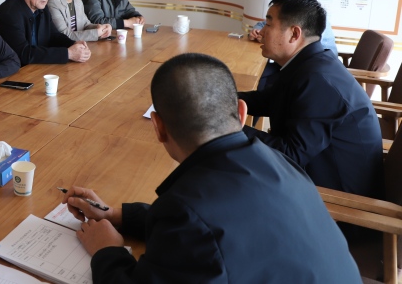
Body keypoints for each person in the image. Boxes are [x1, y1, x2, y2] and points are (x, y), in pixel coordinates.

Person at [61, 53, 361, 283]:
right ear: (241, 113)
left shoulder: (186, 209)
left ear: (158, 127)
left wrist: (107, 250)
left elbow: (197, 226)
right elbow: (219, 227)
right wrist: (117, 216)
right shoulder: (279, 161)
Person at [240, 0, 383, 197]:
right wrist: (220, 99)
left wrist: (229, 125)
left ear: (294, 34)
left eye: (268, 24)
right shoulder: (307, 63)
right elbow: (268, 100)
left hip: (336, 199)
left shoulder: (318, 81)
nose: (261, 32)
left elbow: (290, 155)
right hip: (312, 173)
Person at [0, 0, 91, 65]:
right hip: (18, 70)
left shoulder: (40, 5)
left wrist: (73, 44)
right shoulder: (9, 13)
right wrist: (68, 53)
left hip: (38, 67)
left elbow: (54, 35)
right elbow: (23, 53)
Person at [248, 0, 337, 56]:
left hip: (314, 61)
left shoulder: (311, 13)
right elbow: (264, 23)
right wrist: (257, 31)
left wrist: (267, 37)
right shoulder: (288, 10)